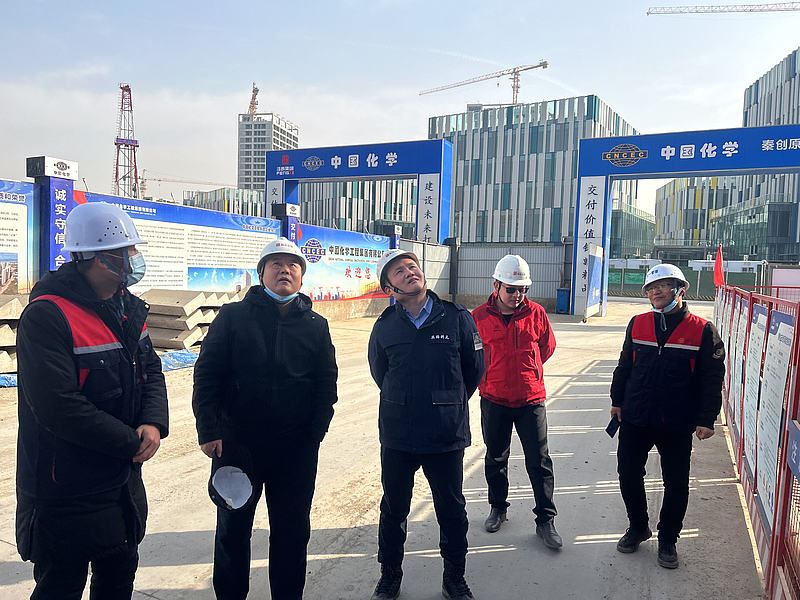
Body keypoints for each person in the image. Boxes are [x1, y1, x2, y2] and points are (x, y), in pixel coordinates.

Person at [15, 201, 169, 599]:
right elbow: (58, 406)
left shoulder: (127, 308)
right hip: (66, 491)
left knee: (117, 582)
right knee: (60, 587)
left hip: (121, 486)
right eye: (126, 252)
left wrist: (153, 424)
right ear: (98, 259)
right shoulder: (48, 315)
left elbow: (151, 372)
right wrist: (131, 442)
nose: (134, 259)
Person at [192, 237, 338, 600]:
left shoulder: (315, 325)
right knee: (232, 528)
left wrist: (313, 434)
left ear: (301, 277)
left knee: (292, 531)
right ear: (261, 274)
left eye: (293, 265)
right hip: (238, 444)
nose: (285, 270)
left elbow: (326, 384)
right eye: (276, 264)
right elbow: (207, 374)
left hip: (294, 448)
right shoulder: (233, 317)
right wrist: (209, 429)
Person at [367, 248, 484, 600]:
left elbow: (474, 369)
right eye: (399, 271)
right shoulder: (384, 325)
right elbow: (380, 373)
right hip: (398, 433)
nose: (409, 272)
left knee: (451, 509)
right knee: (394, 509)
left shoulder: (456, 317)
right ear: (389, 287)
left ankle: (454, 577)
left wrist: (447, 401)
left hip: (444, 432)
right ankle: (390, 575)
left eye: (412, 266)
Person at [610, 263, 724, 569]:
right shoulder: (637, 323)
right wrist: (616, 401)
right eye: (650, 287)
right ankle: (638, 527)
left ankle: (668, 539)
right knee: (628, 474)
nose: (655, 292)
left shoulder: (702, 330)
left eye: (662, 286)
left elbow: (711, 378)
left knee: (676, 483)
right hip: (635, 416)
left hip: (676, 421)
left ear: (680, 289)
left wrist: (707, 418)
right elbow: (625, 365)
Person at [471, 255, 561, 549]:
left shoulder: (536, 313)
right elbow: (471, 355)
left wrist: (528, 372)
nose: (517, 295)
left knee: (539, 460)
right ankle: (498, 507)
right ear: (496, 285)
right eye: (511, 289)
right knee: (496, 458)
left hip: (530, 400)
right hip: (494, 398)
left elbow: (547, 347)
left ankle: (546, 520)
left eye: (522, 289)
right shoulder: (478, 317)